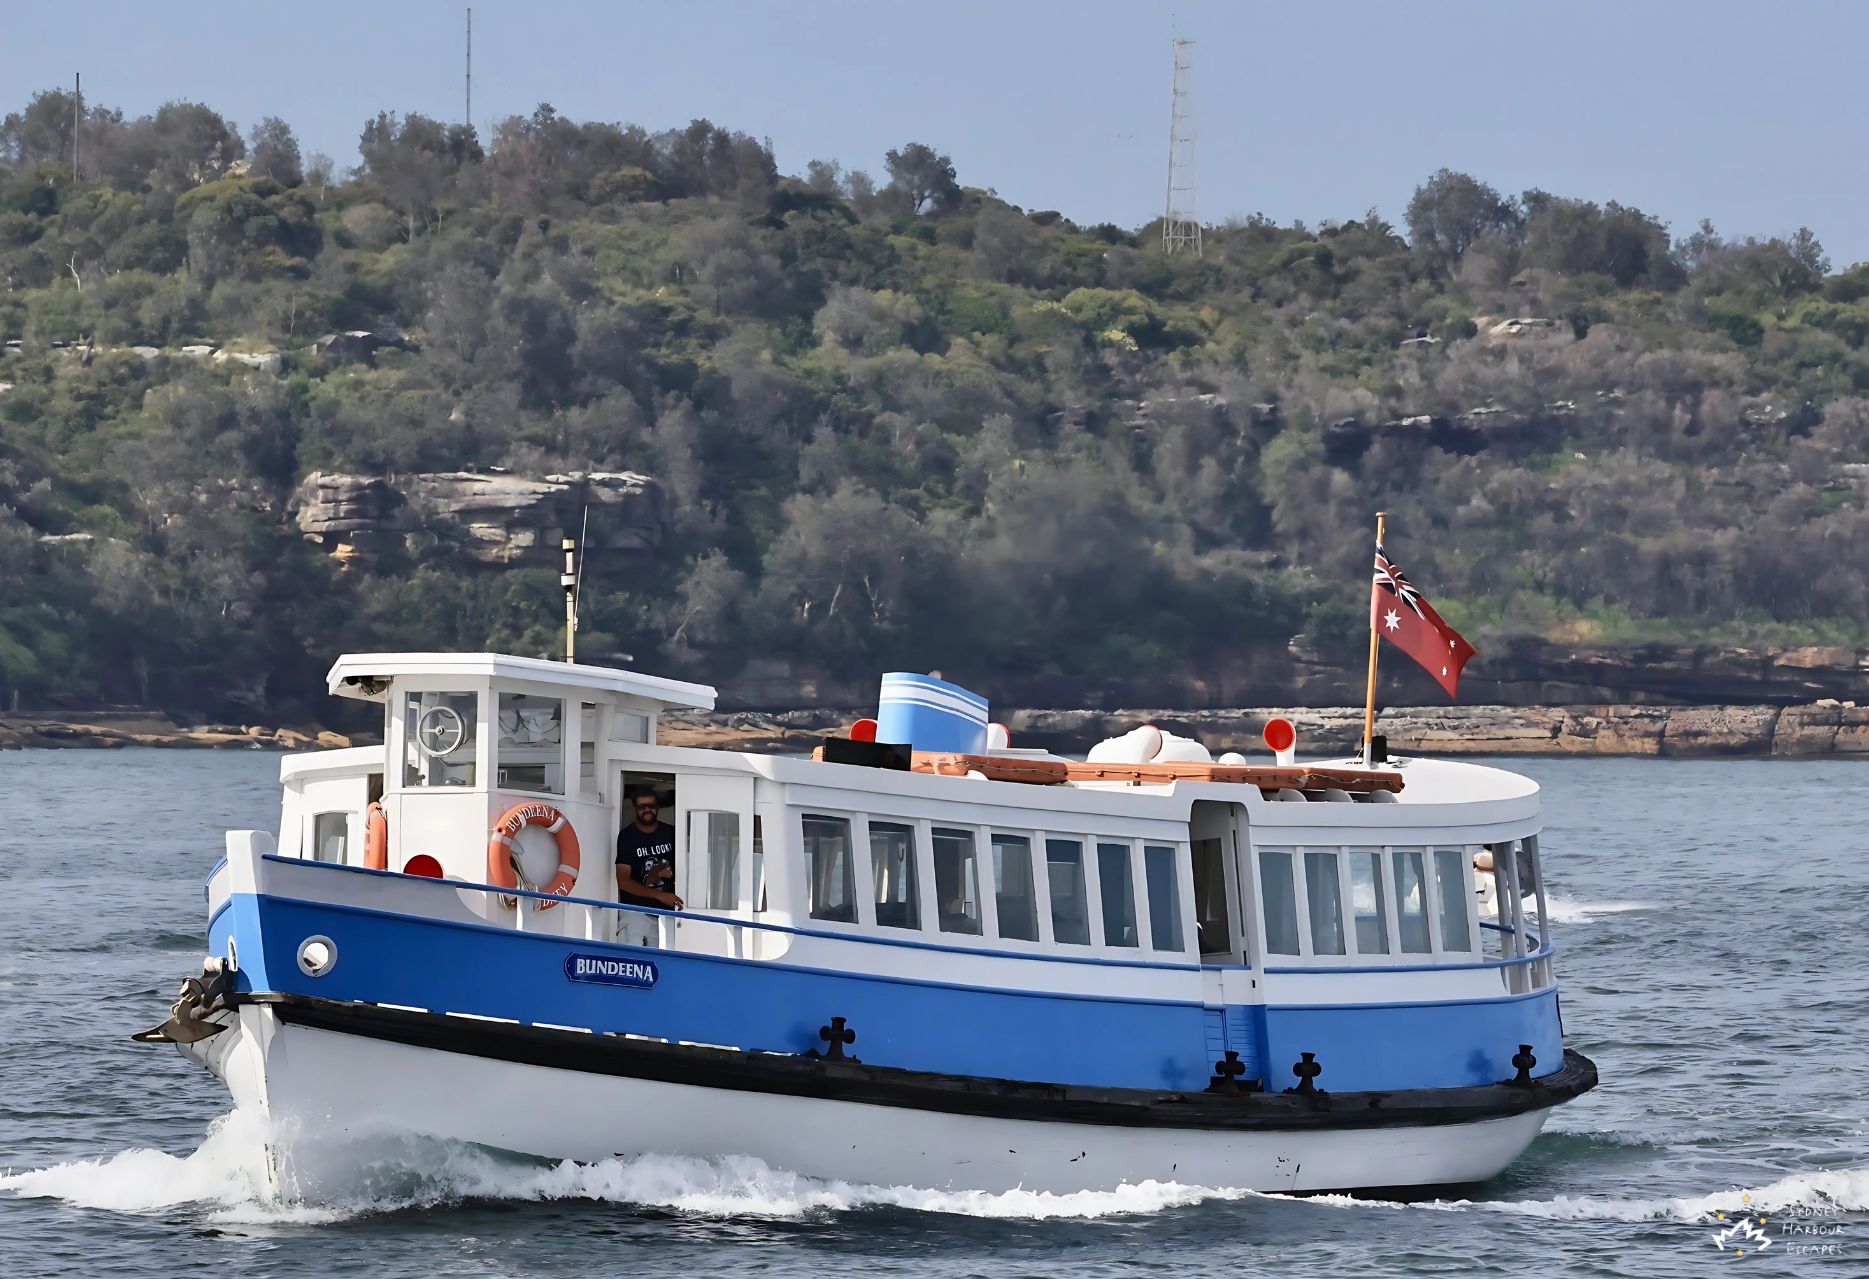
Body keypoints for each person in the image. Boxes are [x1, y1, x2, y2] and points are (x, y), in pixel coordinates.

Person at [616, 790, 682, 911]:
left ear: (657, 807)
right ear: (635, 807)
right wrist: (660, 896)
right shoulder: (627, 836)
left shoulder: (671, 832)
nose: (647, 809)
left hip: (672, 910)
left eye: (651, 805)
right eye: (642, 806)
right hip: (637, 911)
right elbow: (623, 881)